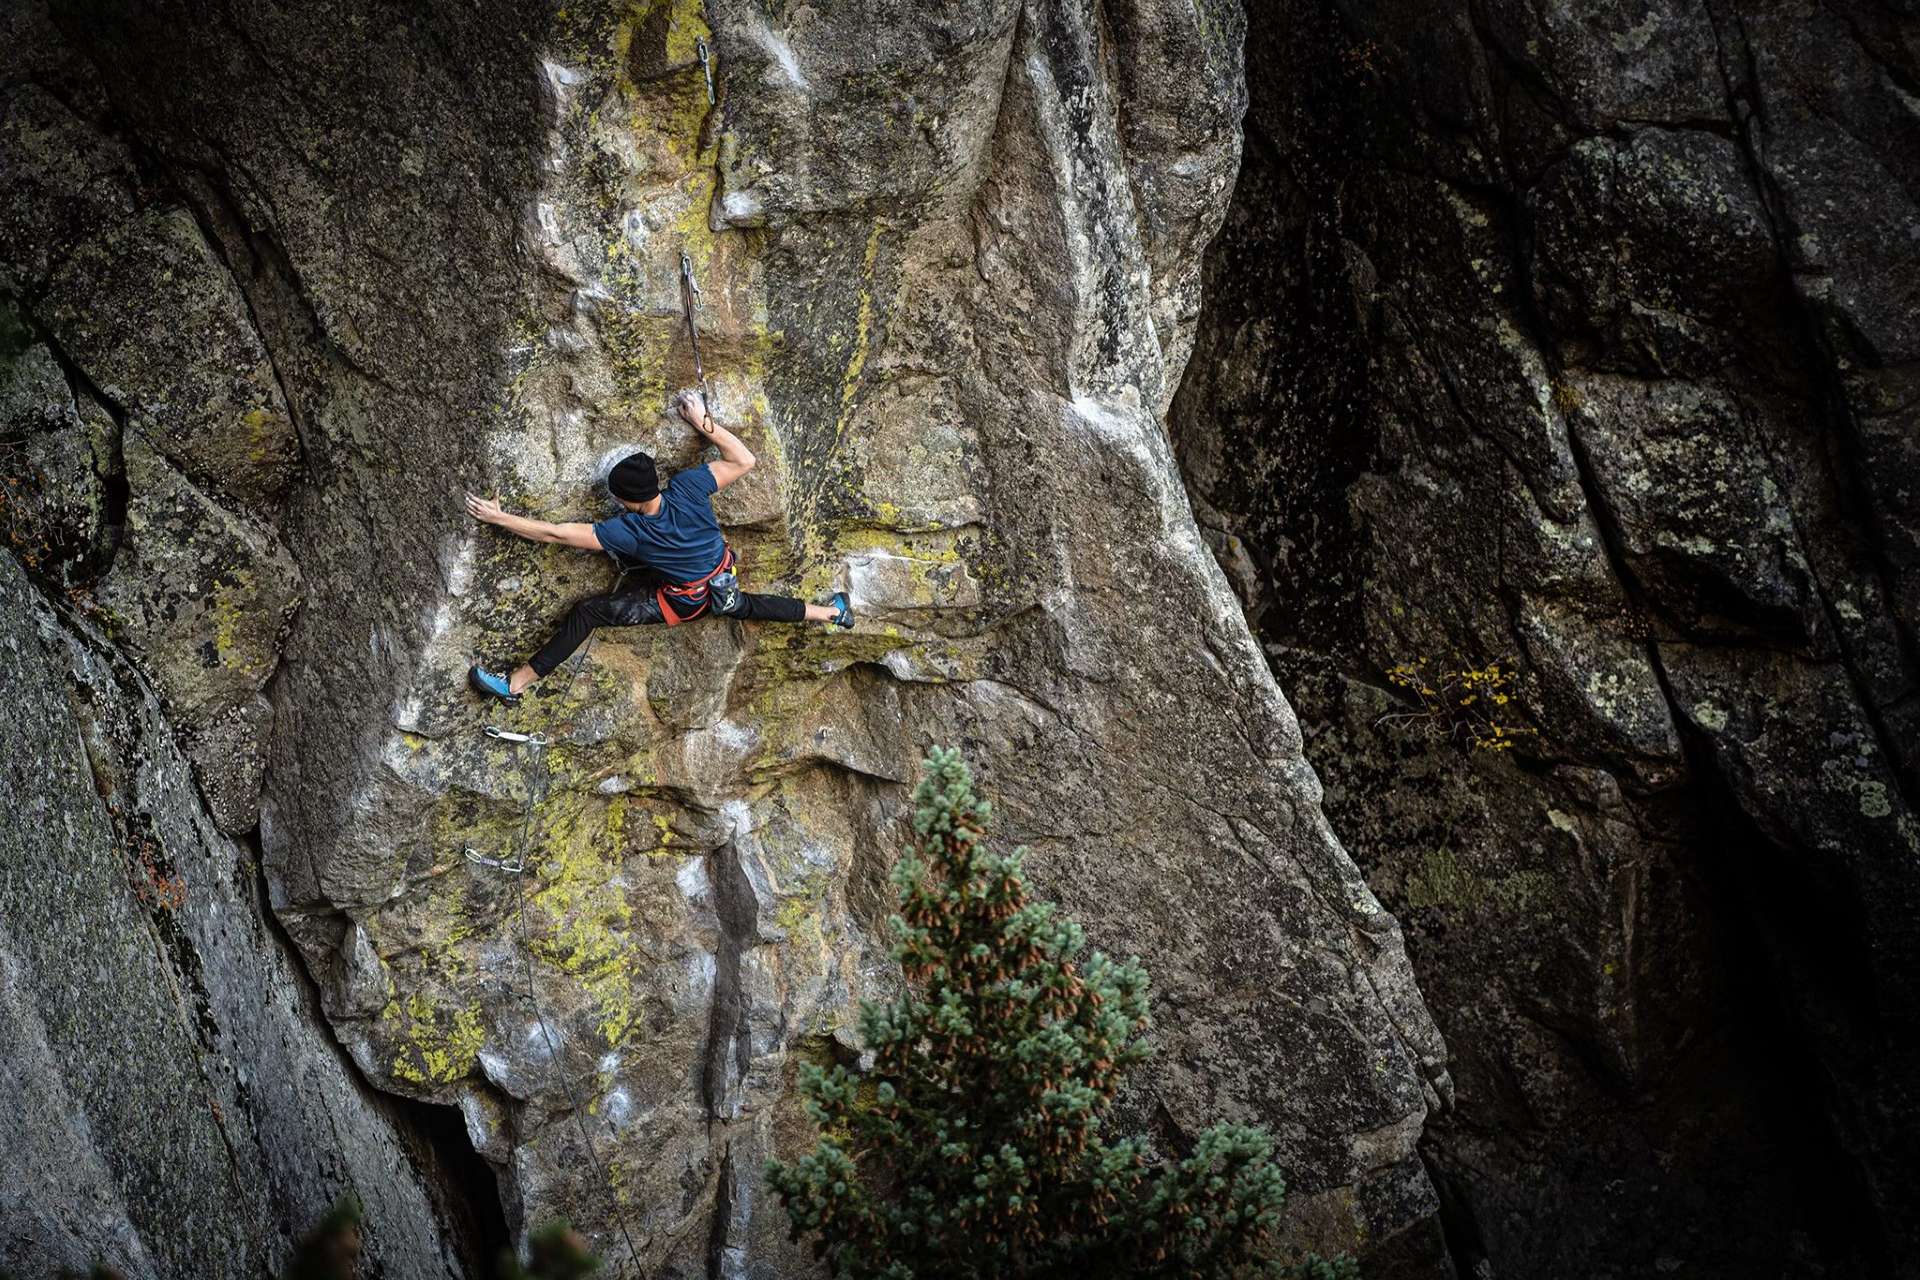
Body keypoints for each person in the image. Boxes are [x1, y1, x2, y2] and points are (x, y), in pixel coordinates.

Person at [465, 390, 852, 704]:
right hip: (722, 579)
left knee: (588, 612)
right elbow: (744, 459)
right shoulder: (688, 487)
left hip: (684, 601)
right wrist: (702, 421)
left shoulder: (628, 531)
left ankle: (514, 685)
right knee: (746, 604)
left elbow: (556, 534)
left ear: (626, 502)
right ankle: (833, 613)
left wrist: (502, 518)